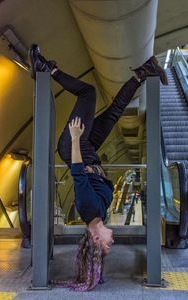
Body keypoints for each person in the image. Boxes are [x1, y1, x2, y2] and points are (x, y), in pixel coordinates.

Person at [29, 44, 168, 291]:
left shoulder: (87, 207)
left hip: (77, 149)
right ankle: (142, 73)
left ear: (95, 238)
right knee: (113, 114)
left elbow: (77, 172)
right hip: (89, 151)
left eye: (106, 244)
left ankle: (48, 69)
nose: (111, 241)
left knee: (89, 93)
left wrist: (74, 137)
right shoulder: (99, 216)